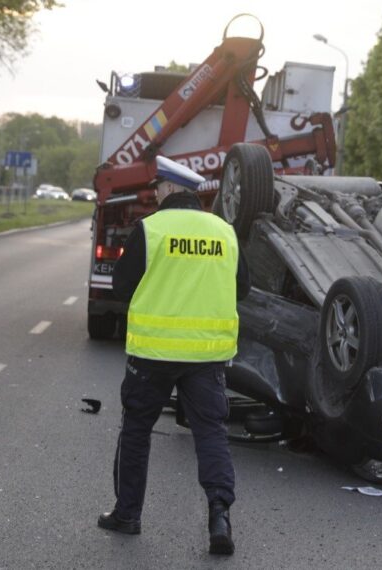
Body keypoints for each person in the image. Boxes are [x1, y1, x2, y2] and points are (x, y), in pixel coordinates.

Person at [97, 156, 250, 556]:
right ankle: (219, 516)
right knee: (211, 434)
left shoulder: (151, 229)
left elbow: (121, 286)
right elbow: (243, 289)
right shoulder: (224, 231)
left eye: (157, 187)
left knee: (136, 431)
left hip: (153, 353)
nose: (154, 193)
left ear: (168, 190)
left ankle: (127, 514)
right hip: (207, 355)